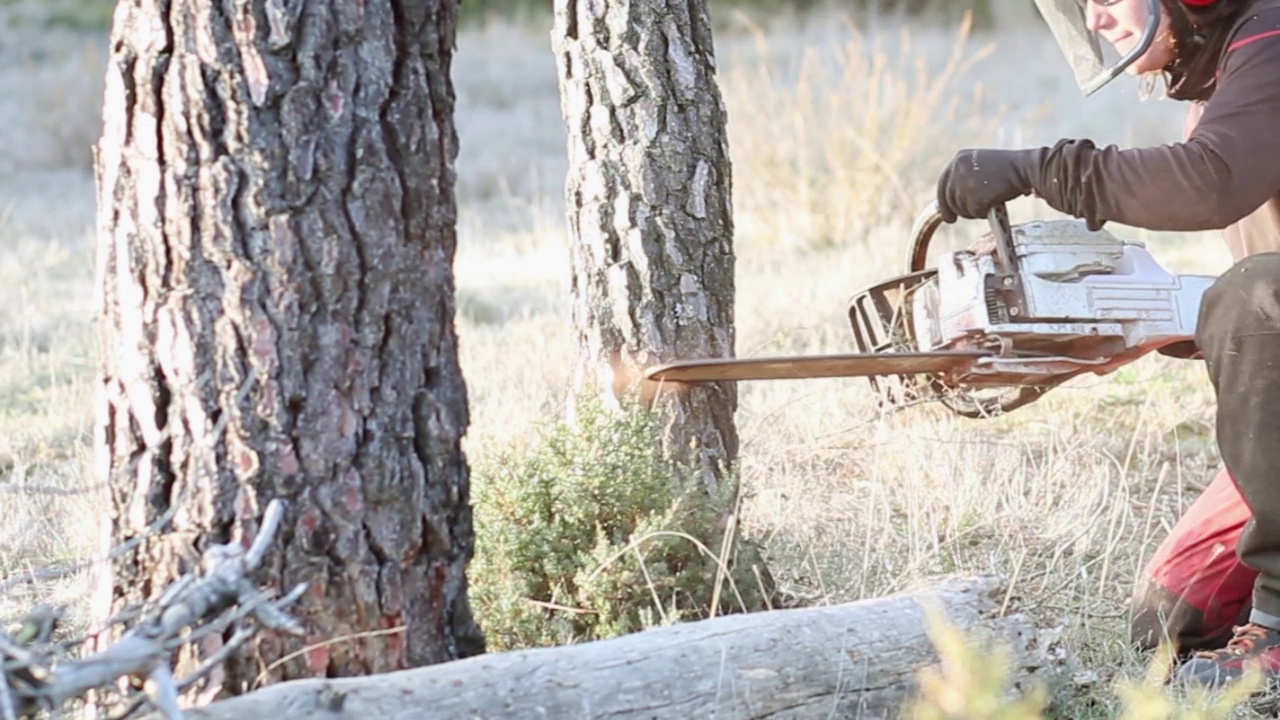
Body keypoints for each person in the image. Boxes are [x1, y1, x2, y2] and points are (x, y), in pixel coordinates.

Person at [933, 0, 1280, 689]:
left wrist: (1041, 170)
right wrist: (1112, 324)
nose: (1095, 20)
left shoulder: (1273, 37)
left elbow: (1211, 184)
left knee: (1253, 294)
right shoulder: (1233, 68)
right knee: (1170, 619)